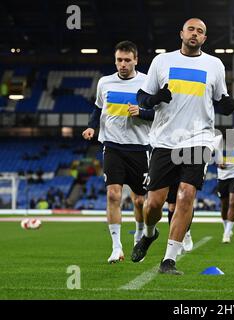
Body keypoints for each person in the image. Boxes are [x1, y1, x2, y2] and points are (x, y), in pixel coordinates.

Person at [132, 18, 234, 274]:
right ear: (181, 33)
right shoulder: (162, 61)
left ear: (204, 38)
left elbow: (221, 99)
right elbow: (142, 97)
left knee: (186, 195)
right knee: (154, 204)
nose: (195, 34)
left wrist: (227, 105)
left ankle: (169, 259)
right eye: (191, 29)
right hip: (164, 141)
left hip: (199, 139)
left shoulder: (214, 65)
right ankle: (149, 233)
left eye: (201, 31)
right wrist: (155, 98)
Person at [81, 41, 155, 264]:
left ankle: (140, 237)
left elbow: (159, 113)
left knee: (140, 201)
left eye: (127, 60)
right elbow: (97, 108)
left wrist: (141, 112)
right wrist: (92, 126)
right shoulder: (105, 82)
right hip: (112, 145)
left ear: (135, 60)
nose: (122, 64)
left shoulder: (147, 84)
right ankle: (116, 247)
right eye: (119, 60)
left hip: (139, 148)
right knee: (113, 194)